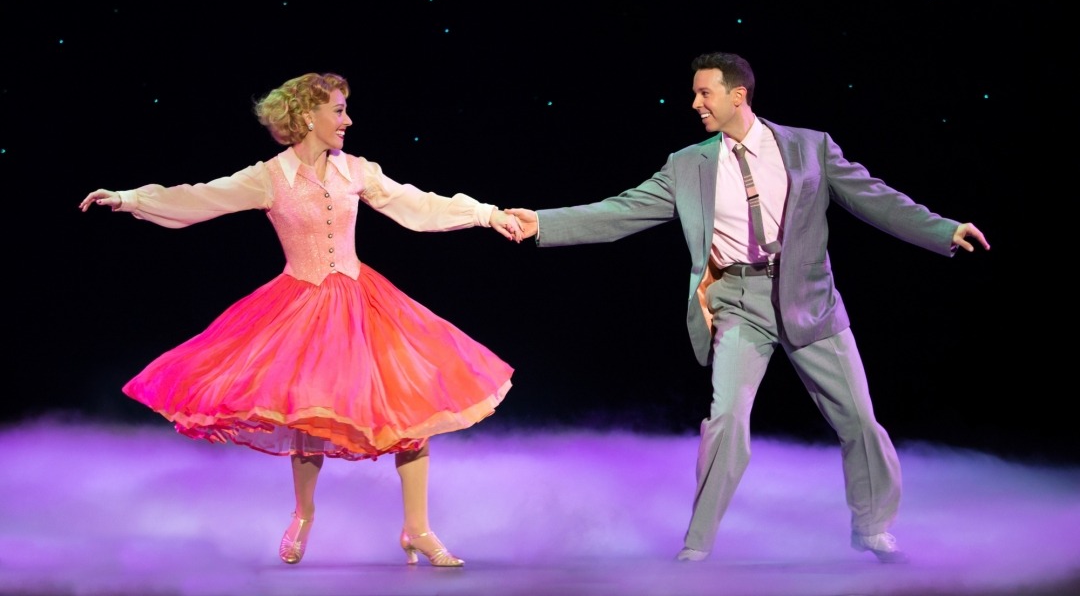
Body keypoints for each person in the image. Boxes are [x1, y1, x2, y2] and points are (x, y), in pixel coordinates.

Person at [506, 51, 990, 564]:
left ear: (738, 95)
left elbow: (876, 198)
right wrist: (543, 223)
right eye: (695, 93)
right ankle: (697, 544)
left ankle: (873, 528)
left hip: (811, 300)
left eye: (704, 93)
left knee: (859, 421)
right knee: (727, 421)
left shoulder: (809, 147)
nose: (695, 103)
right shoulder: (687, 165)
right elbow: (621, 210)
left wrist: (942, 229)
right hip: (739, 302)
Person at [79, 72, 522, 567]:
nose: (347, 120)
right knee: (307, 410)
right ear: (308, 116)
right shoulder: (269, 177)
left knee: (412, 405)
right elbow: (199, 197)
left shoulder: (355, 170)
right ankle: (304, 515)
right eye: (338, 110)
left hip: (365, 302)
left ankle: (416, 529)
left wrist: (487, 214)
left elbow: (415, 204)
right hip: (301, 304)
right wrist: (130, 199)